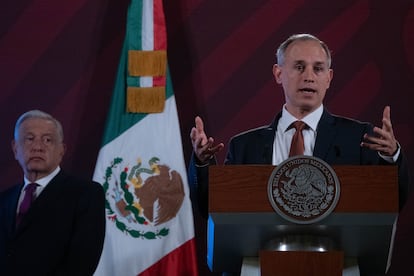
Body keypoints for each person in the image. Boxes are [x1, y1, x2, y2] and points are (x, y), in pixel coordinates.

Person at [188, 33, 411, 274]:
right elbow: (212, 208)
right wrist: (202, 162)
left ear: (329, 78)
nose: (309, 76)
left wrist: (392, 157)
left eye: (318, 69)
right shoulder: (245, 145)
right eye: (299, 67)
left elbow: (392, 201)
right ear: (278, 74)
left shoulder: (359, 138)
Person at [0, 110, 106, 275]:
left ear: (61, 150)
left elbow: (81, 266)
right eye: (29, 139)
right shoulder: (4, 200)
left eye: (47, 140)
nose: (38, 147)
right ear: (15, 149)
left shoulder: (86, 195)